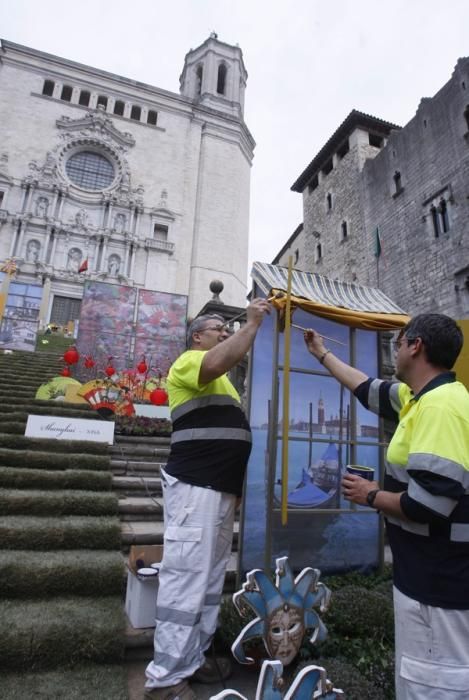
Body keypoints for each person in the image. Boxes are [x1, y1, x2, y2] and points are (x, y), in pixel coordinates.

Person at [303, 314, 469, 699]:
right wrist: (322, 353)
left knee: (432, 683)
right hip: (426, 574)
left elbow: (430, 504)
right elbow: (365, 387)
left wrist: (370, 495)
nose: (394, 351)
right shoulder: (419, 397)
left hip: (439, 582)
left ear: (416, 345)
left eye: (397, 343)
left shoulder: (440, 408)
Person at [145, 298, 271, 700]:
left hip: (216, 490)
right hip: (195, 488)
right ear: (197, 336)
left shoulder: (225, 382)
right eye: (218, 328)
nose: (225, 332)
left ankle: (192, 660)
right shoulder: (188, 362)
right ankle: (164, 679)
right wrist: (250, 326)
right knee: (186, 581)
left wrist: (233, 489)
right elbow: (219, 360)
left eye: (227, 328)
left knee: (210, 580)